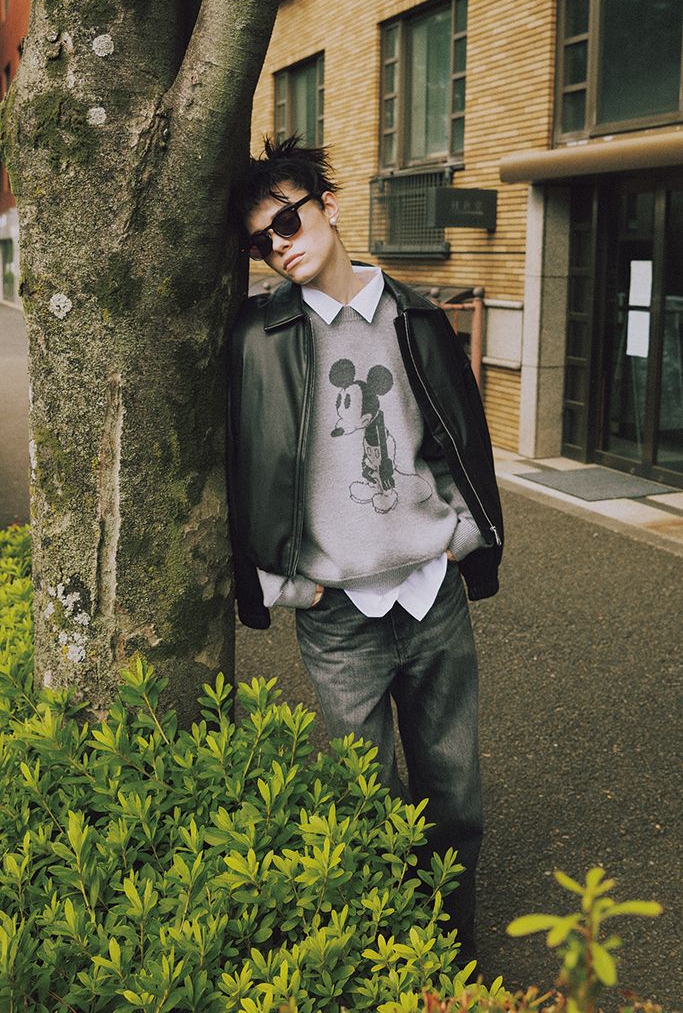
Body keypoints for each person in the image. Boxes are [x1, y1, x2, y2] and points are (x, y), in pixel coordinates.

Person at [226, 136, 504, 963]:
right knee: (364, 801)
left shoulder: (417, 317)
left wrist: (460, 533)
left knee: (454, 798)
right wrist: (282, 587)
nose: (278, 245)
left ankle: (452, 956)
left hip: (429, 595)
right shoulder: (258, 337)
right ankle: (394, 957)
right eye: (260, 241)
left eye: (285, 221)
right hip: (337, 614)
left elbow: (460, 437)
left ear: (329, 207)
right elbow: (238, 467)